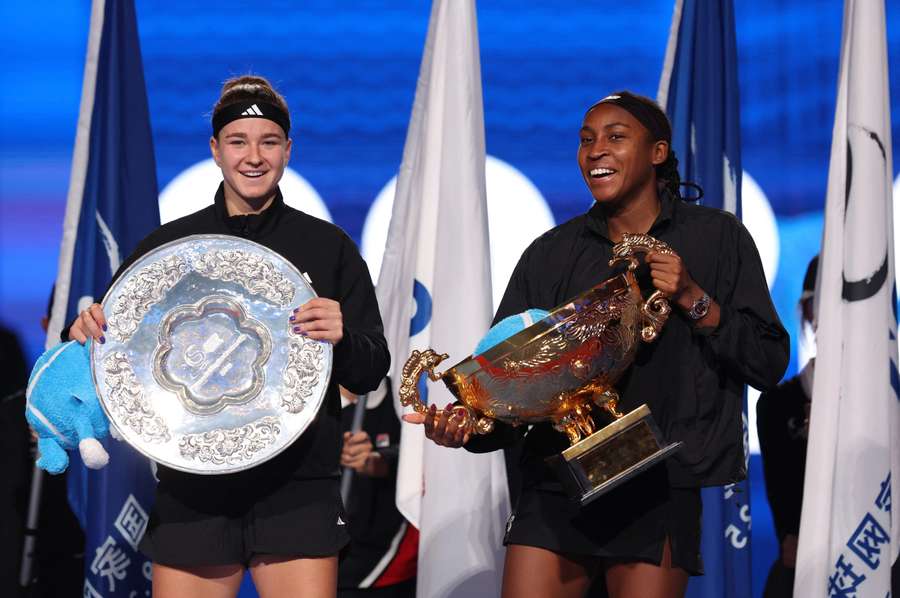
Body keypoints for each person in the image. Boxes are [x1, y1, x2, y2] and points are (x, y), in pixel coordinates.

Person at [404, 91, 789, 598]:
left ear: (657, 152)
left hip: (660, 484)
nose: (596, 151)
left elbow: (767, 361)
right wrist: (467, 426)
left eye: (615, 137)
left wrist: (695, 299)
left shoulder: (717, 238)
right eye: (586, 140)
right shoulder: (550, 254)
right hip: (554, 485)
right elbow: (507, 385)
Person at [66, 75, 390, 598]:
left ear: (288, 150)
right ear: (215, 150)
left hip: (298, 491)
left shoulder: (328, 246)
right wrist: (85, 329)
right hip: (193, 494)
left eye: (269, 142)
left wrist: (345, 338)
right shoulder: (167, 247)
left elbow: (373, 366)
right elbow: (110, 348)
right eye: (238, 142)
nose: (254, 156)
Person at [756, 256, 817, 598]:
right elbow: (791, 539)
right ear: (808, 312)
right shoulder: (778, 406)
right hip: (805, 567)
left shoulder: (891, 401)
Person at [338, 379, 417, 598]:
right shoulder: (304, 399)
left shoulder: (405, 392)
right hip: (319, 555)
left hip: (387, 562)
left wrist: (378, 461)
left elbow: (421, 453)